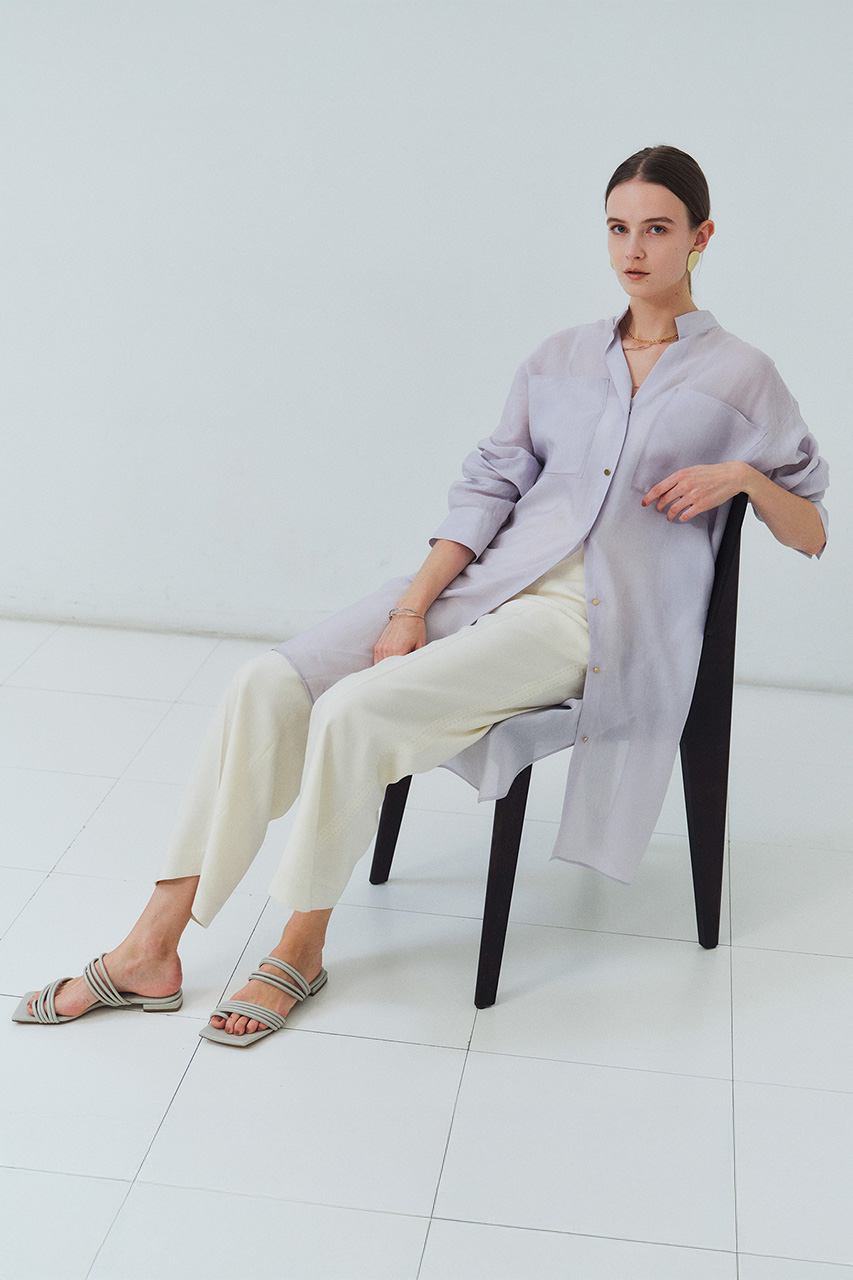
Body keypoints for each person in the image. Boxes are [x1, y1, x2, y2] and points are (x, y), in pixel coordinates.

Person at [14, 145, 828, 1046]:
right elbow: (487, 491)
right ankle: (151, 947)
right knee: (265, 684)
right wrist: (412, 608)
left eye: (657, 229)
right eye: (617, 228)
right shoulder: (559, 358)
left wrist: (742, 479)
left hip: (595, 623)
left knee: (354, 711)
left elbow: (811, 530)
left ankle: (299, 947)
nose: (632, 249)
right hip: (485, 581)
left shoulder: (740, 376)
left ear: (700, 237)